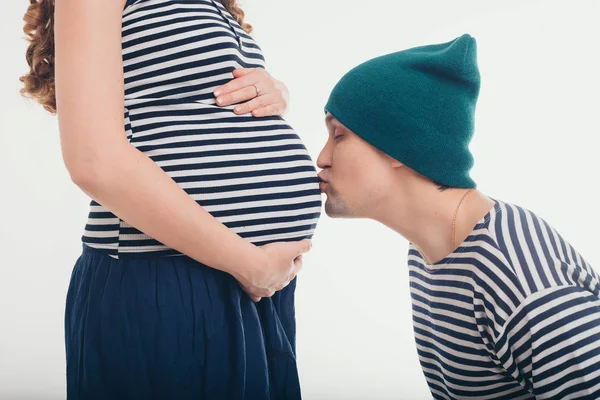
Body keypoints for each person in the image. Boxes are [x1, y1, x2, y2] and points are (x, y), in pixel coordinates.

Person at [19, 0, 321, 398]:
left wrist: (274, 90)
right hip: (165, 277)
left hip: (251, 283)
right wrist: (248, 262)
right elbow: (95, 161)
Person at [317, 33, 600, 399]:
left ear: (398, 145)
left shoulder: (518, 277)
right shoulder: (428, 253)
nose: (321, 158)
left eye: (338, 135)